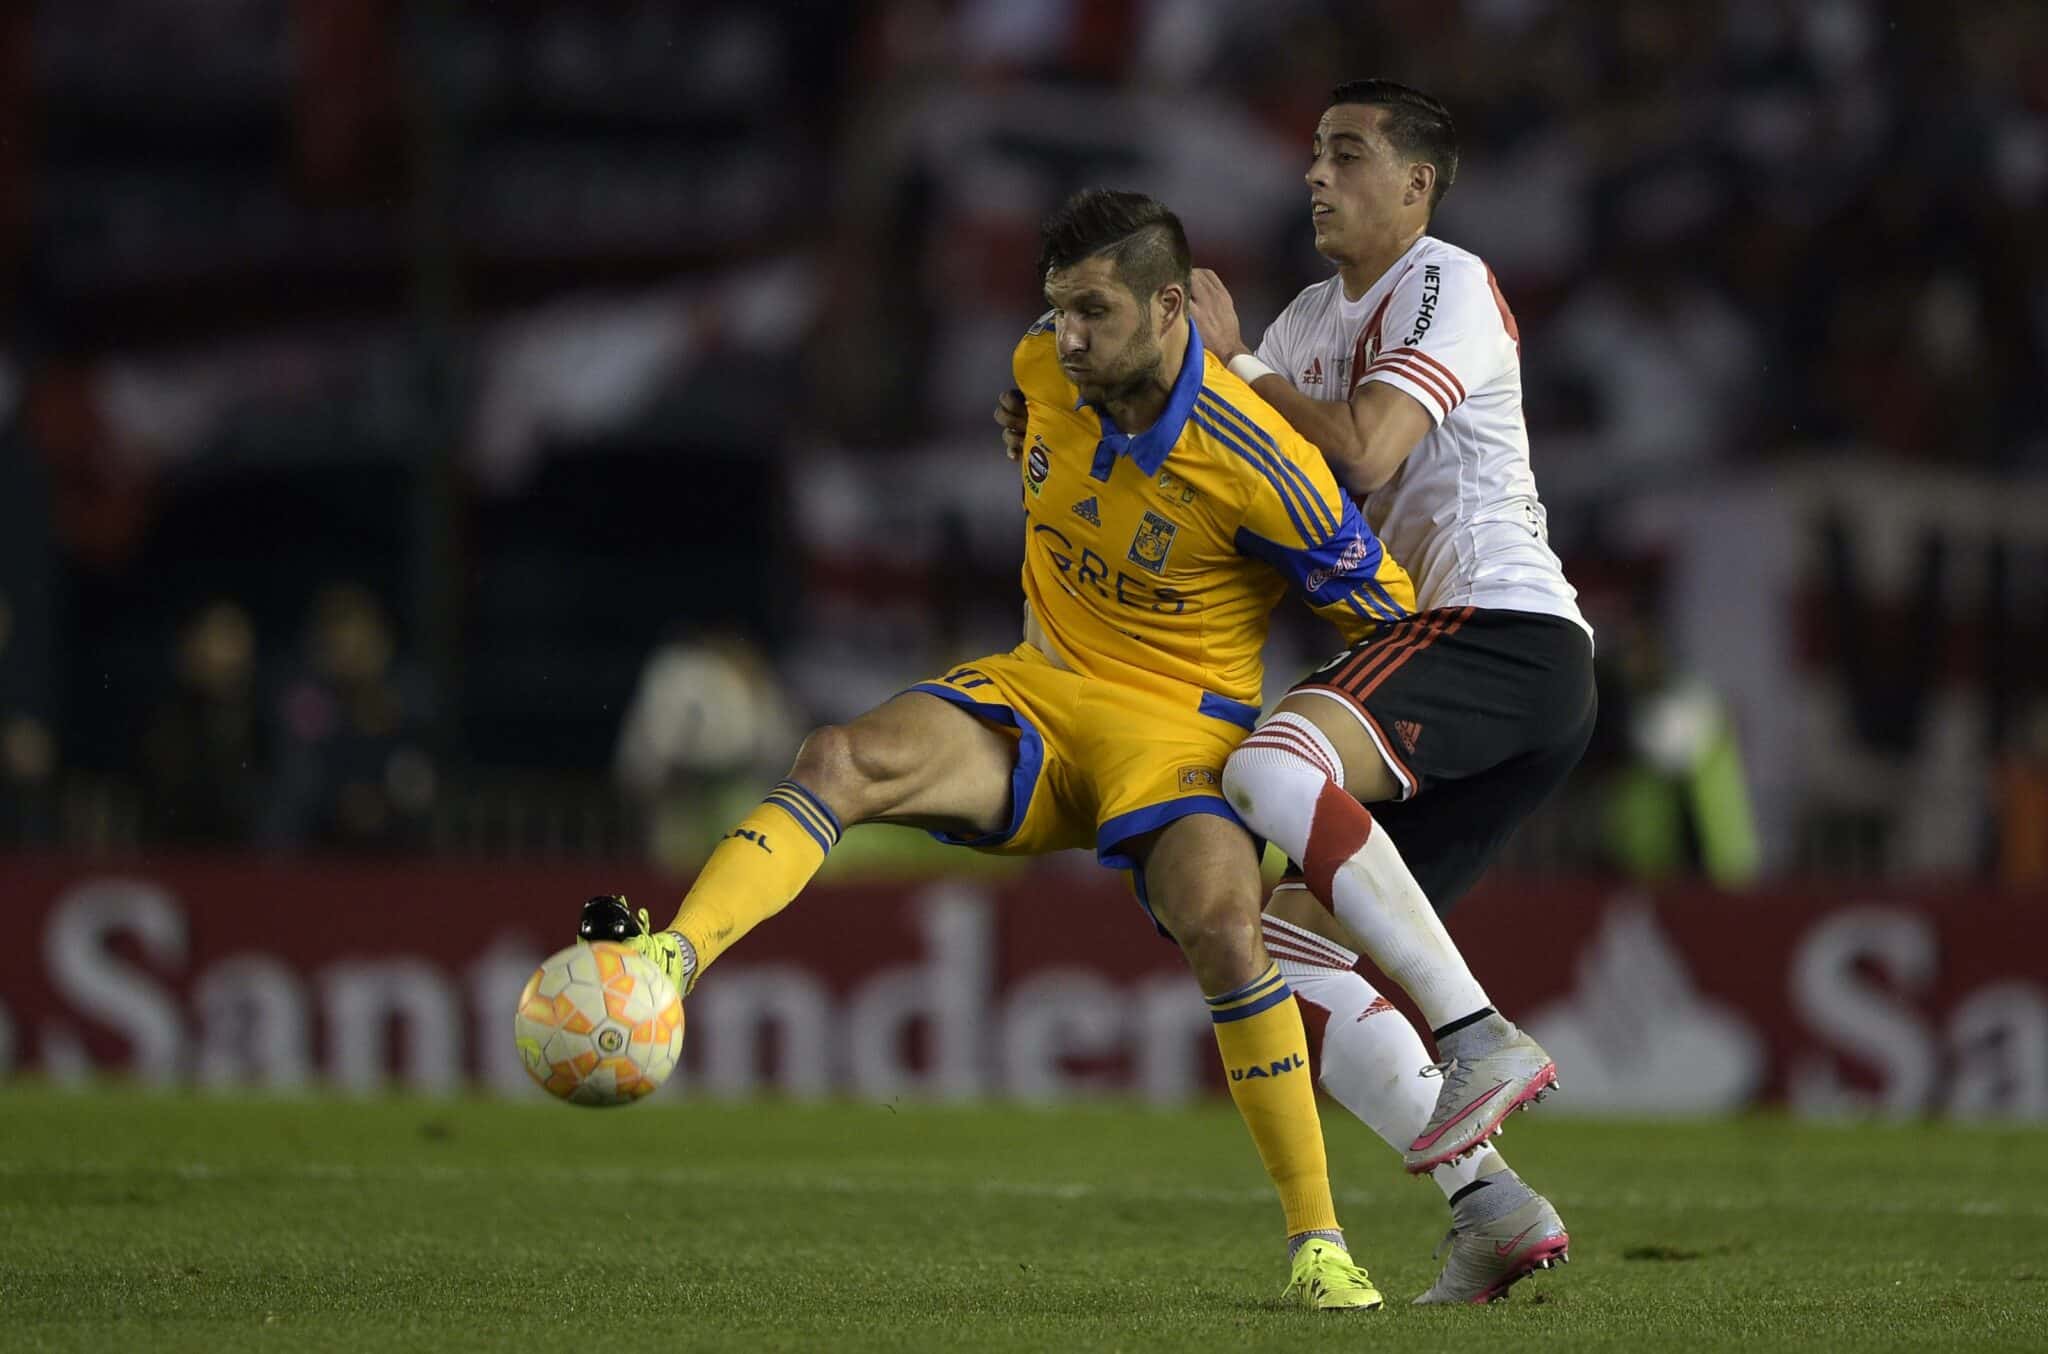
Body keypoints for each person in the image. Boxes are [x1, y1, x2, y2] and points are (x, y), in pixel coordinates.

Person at [583, 189, 1418, 1310]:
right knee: (836, 756)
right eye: (1054, 310)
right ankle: (667, 967)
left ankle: (1316, 1243)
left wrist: (1317, 770)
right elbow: (1035, 432)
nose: (1064, 336)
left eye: (1092, 311)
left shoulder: (1259, 460)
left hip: (1179, 736)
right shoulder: (1041, 369)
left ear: (1170, 306)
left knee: (1225, 928)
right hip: (1038, 693)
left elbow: (1397, 632)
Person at [995, 79, 1592, 1305]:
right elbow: (1239, 472)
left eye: (1349, 154)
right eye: (1314, 154)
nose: (1316, 175)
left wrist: (1240, 364)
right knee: (1281, 949)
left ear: (1418, 184)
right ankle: (1488, 1202)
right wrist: (1069, 411)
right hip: (1440, 666)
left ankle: (1475, 1033)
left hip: (1497, 624)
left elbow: (1363, 447)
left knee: (1271, 767)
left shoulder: (1445, 280)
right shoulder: (1309, 323)